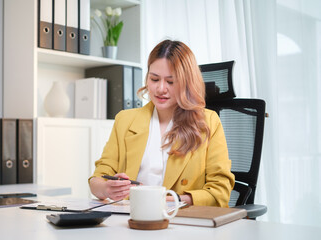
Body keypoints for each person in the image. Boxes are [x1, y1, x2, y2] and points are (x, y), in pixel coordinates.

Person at [89, 40, 234, 207]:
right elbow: (97, 179)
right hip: (132, 219)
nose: (160, 89)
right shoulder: (125, 120)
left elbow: (220, 191)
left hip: (184, 222)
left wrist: (173, 200)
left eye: (171, 82)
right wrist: (107, 188)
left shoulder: (208, 122)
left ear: (186, 83)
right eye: (154, 79)